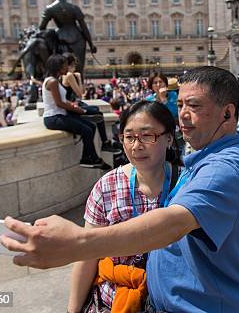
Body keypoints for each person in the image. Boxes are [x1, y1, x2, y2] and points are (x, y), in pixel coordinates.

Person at [2, 66, 239, 313]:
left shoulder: (224, 169)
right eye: (182, 103)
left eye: (195, 106)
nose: (183, 114)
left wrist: (75, 243)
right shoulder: (207, 155)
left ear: (228, 113)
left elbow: (171, 224)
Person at [67, 100, 178, 313]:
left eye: (147, 136)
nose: (136, 146)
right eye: (129, 137)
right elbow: (88, 253)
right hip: (113, 301)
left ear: (169, 138)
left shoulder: (186, 184)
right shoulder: (107, 186)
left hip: (170, 301)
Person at [42, 55, 110, 170]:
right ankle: (93, 158)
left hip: (59, 114)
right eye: (64, 65)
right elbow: (59, 103)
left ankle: (87, 157)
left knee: (91, 127)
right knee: (86, 130)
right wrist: (79, 110)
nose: (66, 67)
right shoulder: (52, 81)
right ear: (58, 67)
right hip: (53, 117)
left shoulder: (54, 80)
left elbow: (62, 100)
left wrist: (72, 104)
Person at [61, 53, 120, 154]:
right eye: (75, 64)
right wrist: (79, 78)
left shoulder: (64, 75)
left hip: (74, 103)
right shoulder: (69, 75)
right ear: (71, 64)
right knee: (98, 114)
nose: (75, 67)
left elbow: (81, 92)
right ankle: (105, 142)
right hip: (73, 105)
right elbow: (80, 93)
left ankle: (105, 142)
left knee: (96, 110)